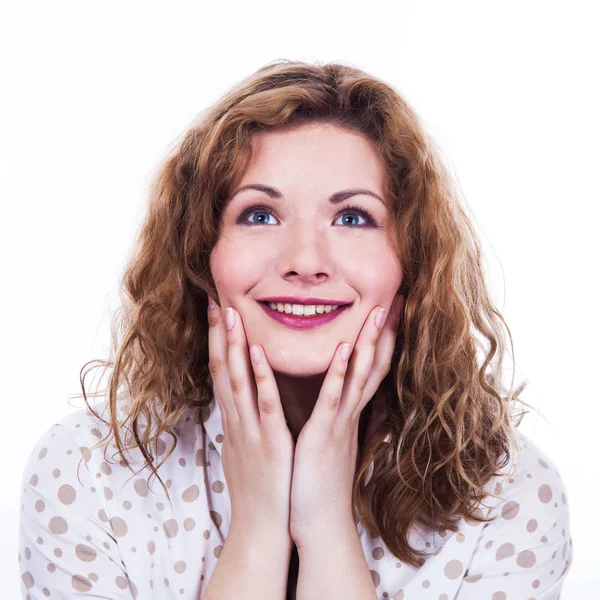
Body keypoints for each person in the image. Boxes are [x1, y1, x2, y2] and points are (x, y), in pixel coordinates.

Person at [18, 60, 573, 600]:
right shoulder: (86, 473)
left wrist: (328, 529)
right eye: (260, 214)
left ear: (412, 261)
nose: (306, 261)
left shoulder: (506, 494)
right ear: (199, 255)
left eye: (353, 217)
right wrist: (258, 533)